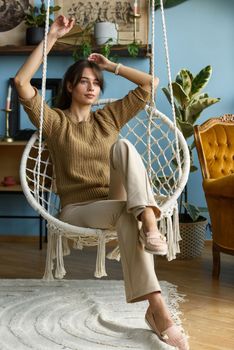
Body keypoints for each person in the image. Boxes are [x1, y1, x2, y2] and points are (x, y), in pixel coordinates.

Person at [14, 15, 189, 350]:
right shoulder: (54, 123)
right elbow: (22, 82)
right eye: (84, 81)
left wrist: (110, 66)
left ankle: (148, 221)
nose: (92, 86)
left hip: (115, 197)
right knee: (127, 214)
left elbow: (150, 84)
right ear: (69, 86)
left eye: (96, 81)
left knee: (122, 147)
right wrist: (51, 36)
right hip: (77, 209)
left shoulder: (108, 118)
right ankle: (159, 312)